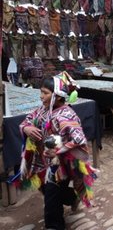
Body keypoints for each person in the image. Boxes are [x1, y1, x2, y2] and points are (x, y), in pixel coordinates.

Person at [15, 71, 96, 230]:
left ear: (58, 96)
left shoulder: (67, 115)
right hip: (43, 162)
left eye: (45, 93)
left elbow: (79, 140)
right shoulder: (42, 110)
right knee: (50, 191)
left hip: (60, 164)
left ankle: (54, 225)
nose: (41, 96)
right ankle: (72, 198)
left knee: (51, 196)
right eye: (41, 92)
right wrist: (27, 128)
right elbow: (27, 121)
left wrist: (59, 150)